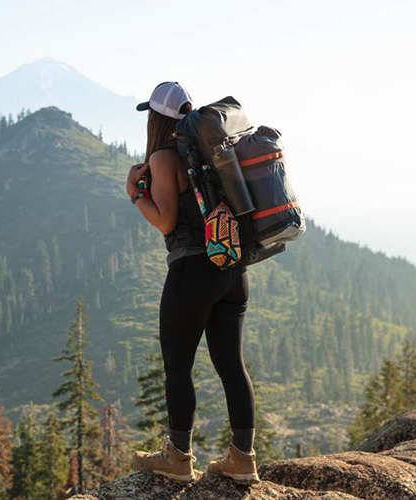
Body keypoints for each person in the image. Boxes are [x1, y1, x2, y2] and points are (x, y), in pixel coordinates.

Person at [127, 81, 260, 485]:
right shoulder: (211, 150)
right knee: (231, 366)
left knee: (178, 366)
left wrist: (134, 193)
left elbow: (166, 221)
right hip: (232, 267)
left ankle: (179, 458)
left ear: (156, 117)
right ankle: (242, 458)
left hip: (193, 271)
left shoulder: (165, 157)